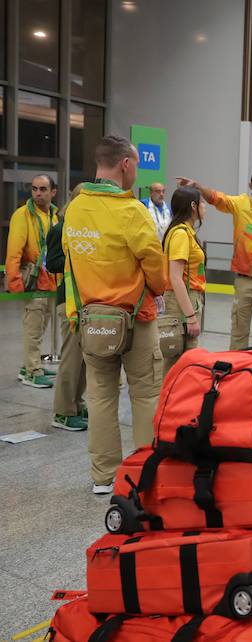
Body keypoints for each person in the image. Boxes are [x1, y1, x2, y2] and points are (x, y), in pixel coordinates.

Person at [63, 135, 167, 494]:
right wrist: (157, 288)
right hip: (136, 319)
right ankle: (143, 475)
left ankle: (103, 477)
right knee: (145, 395)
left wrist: (79, 310)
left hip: (92, 321)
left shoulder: (75, 208)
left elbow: (70, 261)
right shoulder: (132, 210)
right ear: (125, 164)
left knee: (101, 397)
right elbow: (155, 265)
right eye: (136, 164)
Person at [176, 172, 252, 349]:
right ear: (250, 185)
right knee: (239, 331)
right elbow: (215, 198)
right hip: (243, 281)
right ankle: (237, 371)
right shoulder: (240, 204)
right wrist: (198, 186)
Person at [6, 174, 59, 388]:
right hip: (33, 278)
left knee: (41, 325)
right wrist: (15, 282)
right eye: (35, 189)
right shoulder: (23, 215)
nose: (38, 193)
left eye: (43, 189)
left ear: (53, 192)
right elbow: (13, 251)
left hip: (49, 280)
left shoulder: (54, 215)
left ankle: (30, 364)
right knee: (33, 327)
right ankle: (31, 371)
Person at [46, 183, 88, 430]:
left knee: (83, 360)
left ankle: (76, 403)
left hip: (87, 300)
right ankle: (63, 411)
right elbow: (52, 263)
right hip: (68, 300)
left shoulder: (87, 230)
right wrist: (80, 260)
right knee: (71, 359)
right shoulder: (60, 228)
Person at [161, 187, 207, 374]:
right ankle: (170, 402)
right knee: (178, 361)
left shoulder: (185, 231)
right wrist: (190, 317)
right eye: (202, 202)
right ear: (193, 206)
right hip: (182, 303)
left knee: (184, 360)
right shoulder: (180, 233)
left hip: (188, 300)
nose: (205, 206)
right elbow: (175, 277)